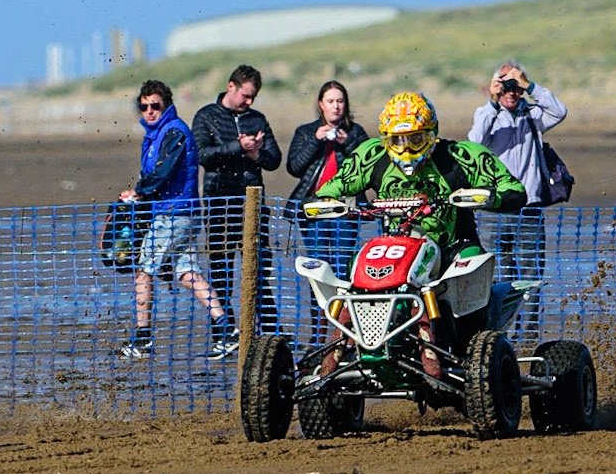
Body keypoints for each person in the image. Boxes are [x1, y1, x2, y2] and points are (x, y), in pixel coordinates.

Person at [312, 91, 526, 344]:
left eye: (415, 139)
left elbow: (513, 189)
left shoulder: (460, 155)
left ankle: (473, 347)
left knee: (472, 266)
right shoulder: (372, 155)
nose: (407, 148)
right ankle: (342, 345)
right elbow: (330, 188)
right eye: (398, 141)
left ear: (431, 133)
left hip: (451, 247)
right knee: (354, 269)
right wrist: (328, 202)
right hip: (396, 246)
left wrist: (488, 197)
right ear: (386, 140)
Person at [116, 80, 236, 361]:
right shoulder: (157, 134)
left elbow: (163, 172)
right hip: (181, 214)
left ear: (166, 105)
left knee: (144, 271)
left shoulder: (174, 132)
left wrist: (139, 193)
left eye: (155, 106)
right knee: (187, 273)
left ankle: (142, 338)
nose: (149, 111)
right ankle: (226, 331)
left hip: (175, 213)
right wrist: (142, 194)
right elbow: (153, 173)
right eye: (144, 106)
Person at [190, 64, 281, 332]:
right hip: (220, 201)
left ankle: (269, 328)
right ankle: (224, 331)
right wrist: (238, 147)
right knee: (221, 269)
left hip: (252, 203)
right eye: (246, 95)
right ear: (232, 87)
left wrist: (256, 155)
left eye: (253, 97)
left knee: (259, 267)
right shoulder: (207, 116)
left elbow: (274, 160)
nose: (249, 102)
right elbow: (202, 155)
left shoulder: (257, 119)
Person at [467, 60, 566, 285]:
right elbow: (475, 142)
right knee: (497, 276)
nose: (510, 92)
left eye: (515, 87)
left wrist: (531, 87)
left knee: (531, 277)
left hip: (529, 208)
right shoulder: (486, 114)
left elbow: (559, 111)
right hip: (494, 208)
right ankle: (505, 321)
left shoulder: (533, 115)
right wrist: (493, 101)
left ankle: (529, 322)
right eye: (505, 86)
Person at [285, 81, 368, 278]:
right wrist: (314, 141)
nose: (336, 106)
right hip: (314, 209)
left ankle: (341, 308)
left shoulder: (355, 132)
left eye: (340, 101)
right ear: (321, 104)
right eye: (330, 101)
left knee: (342, 264)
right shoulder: (305, 132)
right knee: (317, 265)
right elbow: (294, 168)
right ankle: (319, 309)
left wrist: (346, 143)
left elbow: (366, 169)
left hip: (346, 208)